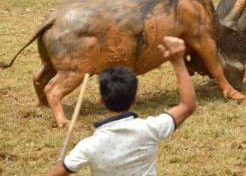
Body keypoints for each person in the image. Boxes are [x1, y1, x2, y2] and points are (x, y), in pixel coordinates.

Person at [45, 36, 196, 176]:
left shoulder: (88, 146)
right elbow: (188, 106)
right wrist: (178, 61)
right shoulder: (151, 128)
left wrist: (63, 164)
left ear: (101, 101)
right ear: (134, 100)